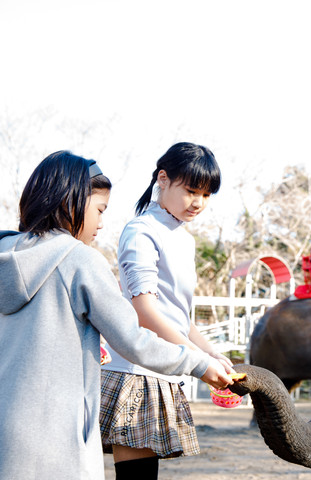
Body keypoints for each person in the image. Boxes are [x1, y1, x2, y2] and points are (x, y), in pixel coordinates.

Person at [0, 151, 235, 480]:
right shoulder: (80, 260)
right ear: (70, 202)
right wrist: (199, 364)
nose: (102, 223)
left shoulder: (6, 255)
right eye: (100, 210)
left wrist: (208, 353)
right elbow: (133, 338)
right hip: (59, 437)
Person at [100, 142, 233, 479]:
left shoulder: (183, 238)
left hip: (164, 364)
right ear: (163, 178)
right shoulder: (141, 230)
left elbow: (178, 317)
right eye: (191, 191)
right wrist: (198, 361)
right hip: (135, 369)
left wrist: (213, 352)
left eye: (206, 195)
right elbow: (144, 309)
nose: (199, 203)